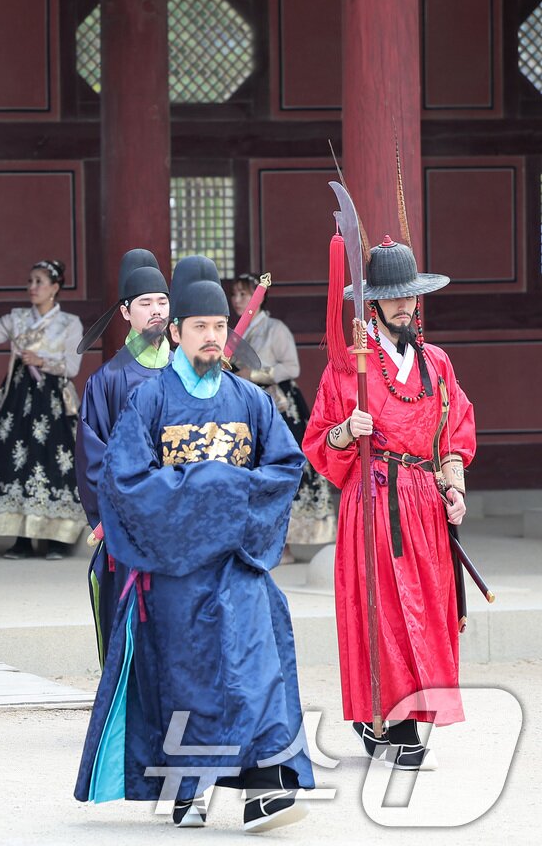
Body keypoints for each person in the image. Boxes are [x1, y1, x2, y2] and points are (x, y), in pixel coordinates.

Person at [74, 258, 313, 832]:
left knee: (259, 670)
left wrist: (225, 494)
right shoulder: (148, 401)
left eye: (219, 326)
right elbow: (122, 481)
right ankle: (189, 786)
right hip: (175, 571)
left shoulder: (251, 401)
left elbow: (284, 467)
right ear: (175, 331)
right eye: (200, 326)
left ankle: (264, 788)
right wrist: (205, 486)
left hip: (238, 563)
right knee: (190, 681)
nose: (212, 337)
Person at [304, 236, 473, 770]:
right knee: (381, 609)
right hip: (374, 501)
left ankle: (416, 713)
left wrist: (454, 485)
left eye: (411, 297)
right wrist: (342, 433)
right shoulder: (348, 365)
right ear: (372, 304)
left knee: (431, 609)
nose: (405, 306)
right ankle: (384, 717)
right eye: (393, 298)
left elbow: (454, 433)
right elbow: (318, 443)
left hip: (424, 504)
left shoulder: (437, 363)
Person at [74, 249, 170, 664]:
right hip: (131, 521)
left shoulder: (194, 371)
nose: (155, 312)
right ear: (126, 312)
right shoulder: (108, 380)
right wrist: (109, 519)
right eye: (145, 303)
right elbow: (93, 455)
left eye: (163, 302)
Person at [0, 259, 89, 560]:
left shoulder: (69, 323)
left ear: (55, 288)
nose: (32, 287)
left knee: (54, 462)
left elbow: (72, 367)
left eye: (40, 282)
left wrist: (42, 361)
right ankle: (22, 536)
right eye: (30, 281)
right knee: (16, 460)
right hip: (18, 400)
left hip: (54, 400)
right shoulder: (17, 318)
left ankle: (59, 537)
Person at [228, 274, 335, 558]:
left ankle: (284, 542)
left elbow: (292, 367)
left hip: (279, 405)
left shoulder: (274, 329)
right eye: (235, 295)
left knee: (281, 466)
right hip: (245, 406)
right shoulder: (234, 333)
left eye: (244, 294)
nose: (238, 300)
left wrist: (255, 374)